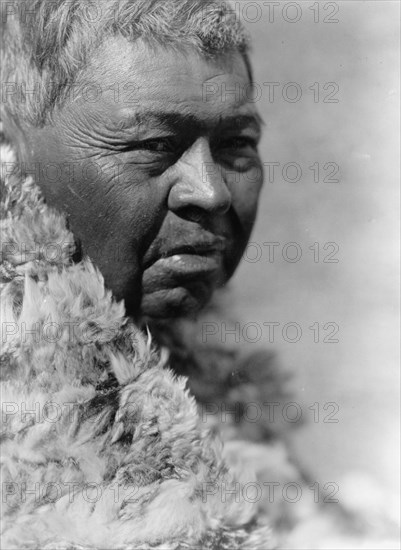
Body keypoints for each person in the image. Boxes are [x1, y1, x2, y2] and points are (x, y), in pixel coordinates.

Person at [1, 1, 397, 549]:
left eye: (236, 145)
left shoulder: (200, 372)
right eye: (154, 146)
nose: (210, 193)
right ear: (10, 151)